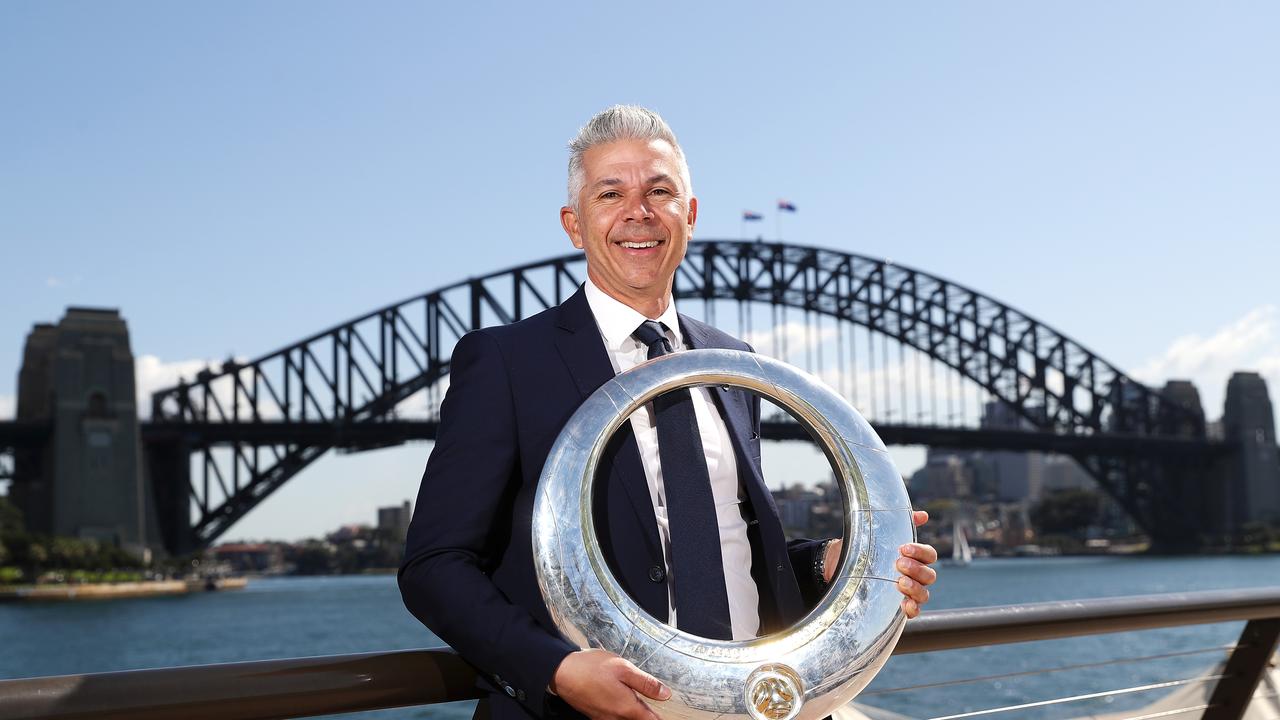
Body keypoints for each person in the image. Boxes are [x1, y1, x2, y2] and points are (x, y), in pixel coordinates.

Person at [399, 105, 938, 720]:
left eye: (660, 191)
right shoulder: (507, 361)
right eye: (611, 194)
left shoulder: (735, 363)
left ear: (691, 214)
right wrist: (554, 668)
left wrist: (830, 564)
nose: (640, 212)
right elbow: (434, 566)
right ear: (574, 226)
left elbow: (722, 547)